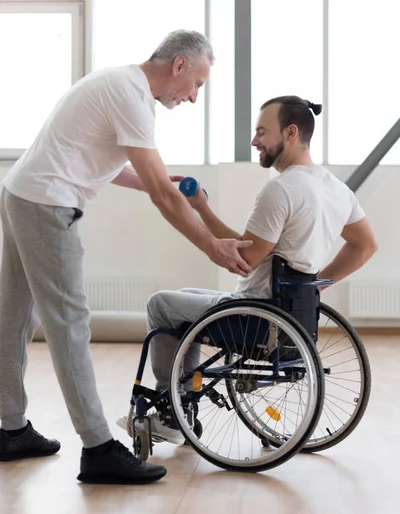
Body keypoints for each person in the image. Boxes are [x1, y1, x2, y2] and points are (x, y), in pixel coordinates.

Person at [0, 29, 253, 484]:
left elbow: (106, 159)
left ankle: (10, 429)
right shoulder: (132, 97)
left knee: (16, 315)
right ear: (178, 65)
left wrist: (157, 182)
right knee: (70, 323)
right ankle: (98, 448)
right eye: (197, 84)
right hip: (46, 203)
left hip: (22, 192)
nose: (195, 97)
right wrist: (213, 247)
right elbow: (162, 195)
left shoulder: (120, 84)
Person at [118, 95, 378, 444]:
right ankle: (181, 405)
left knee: (160, 305)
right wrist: (314, 286)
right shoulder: (336, 190)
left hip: (255, 317)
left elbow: (244, 257)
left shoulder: (281, 189)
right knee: (184, 297)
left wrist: (199, 214)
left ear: (289, 132)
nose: (254, 141)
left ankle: (172, 412)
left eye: (260, 132)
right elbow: (365, 246)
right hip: (290, 316)